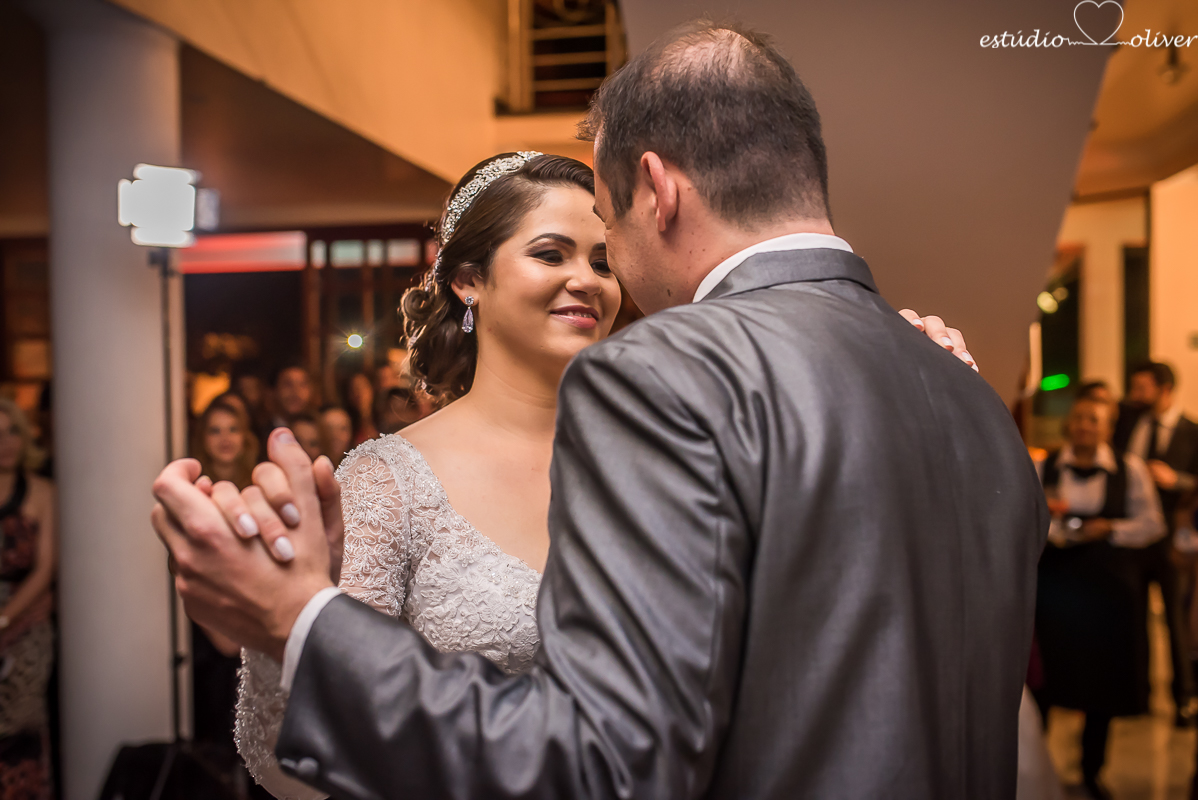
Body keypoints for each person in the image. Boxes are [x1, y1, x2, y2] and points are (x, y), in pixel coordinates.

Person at [152, 20, 1043, 800]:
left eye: (604, 240)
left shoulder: (660, 390)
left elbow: (614, 758)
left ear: (657, 191)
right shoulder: (961, 392)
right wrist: (289, 635)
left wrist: (294, 617)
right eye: (551, 252)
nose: (594, 273)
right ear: (468, 279)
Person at [1034, 396, 1165, 799]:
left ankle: (1092, 770)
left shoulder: (1130, 469)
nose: (1085, 426)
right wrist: (1054, 528)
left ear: (1108, 429)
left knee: (1101, 686)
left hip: (1108, 593)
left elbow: (1152, 524)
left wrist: (1110, 528)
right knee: (1047, 683)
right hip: (1056, 591)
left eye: (1094, 420)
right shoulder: (1045, 464)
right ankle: (1037, 769)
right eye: (1079, 418)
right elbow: (1028, 517)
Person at [1114, 361, 1198, 723]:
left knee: (1176, 622)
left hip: (1172, 544)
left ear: (1164, 389)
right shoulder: (1127, 424)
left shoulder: (1193, 431)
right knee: (1132, 620)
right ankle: (1138, 695)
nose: (1135, 395)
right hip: (1132, 538)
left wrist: (1176, 480)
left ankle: (1184, 698)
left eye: (1142, 388)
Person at [0, 398, 57, 800]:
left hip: (25, 619)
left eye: (12, 431)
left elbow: (45, 568)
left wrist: (5, 619)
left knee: (18, 727)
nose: (4, 442)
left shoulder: (43, 492)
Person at [268, 363, 315, 433]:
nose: (296, 391)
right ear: (275, 390)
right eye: (288, 384)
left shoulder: (320, 433)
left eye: (302, 384)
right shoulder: (262, 434)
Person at [341, 372, 378, 447]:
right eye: (353, 389)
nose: (358, 393)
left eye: (362, 387)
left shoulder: (382, 416)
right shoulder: (346, 421)